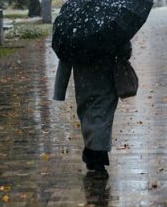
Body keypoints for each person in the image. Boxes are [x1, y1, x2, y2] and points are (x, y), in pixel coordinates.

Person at [53, 40, 132, 178]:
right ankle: (97, 160)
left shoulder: (76, 26)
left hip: (83, 78)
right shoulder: (109, 21)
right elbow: (125, 49)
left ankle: (92, 154)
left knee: (89, 117)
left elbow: (65, 58)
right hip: (106, 76)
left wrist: (60, 90)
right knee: (102, 118)